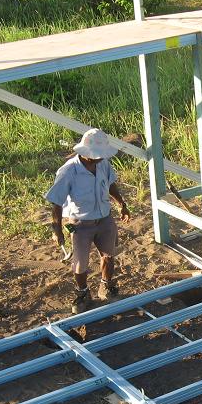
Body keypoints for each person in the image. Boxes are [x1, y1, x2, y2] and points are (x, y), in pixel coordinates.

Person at [45, 128, 131, 314]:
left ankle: (106, 286)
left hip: (104, 218)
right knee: (80, 262)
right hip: (81, 223)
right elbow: (56, 202)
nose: (101, 158)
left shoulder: (103, 164)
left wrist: (121, 204)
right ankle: (83, 293)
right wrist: (57, 229)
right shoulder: (69, 171)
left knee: (108, 256)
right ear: (86, 153)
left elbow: (110, 184)